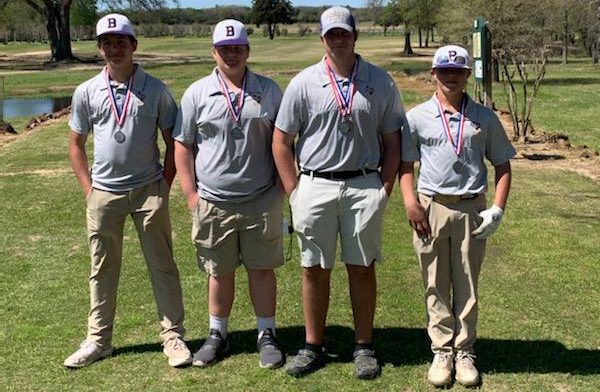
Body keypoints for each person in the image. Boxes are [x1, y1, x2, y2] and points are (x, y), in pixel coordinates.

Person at [272, 6, 404, 379]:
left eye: (344, 32)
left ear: (355, 35)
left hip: (364, 183)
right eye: (331, 34)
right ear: (322, 39)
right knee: (314, 268)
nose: (339, 39)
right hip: (315, 183)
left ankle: (363, 345)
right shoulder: (304, 82)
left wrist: (384, 187)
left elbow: (393, 140)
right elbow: (282, 141)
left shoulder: (380, 81)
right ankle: (313, 344)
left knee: (361, 267)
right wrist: (294, 191)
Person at [65, 13, 192, 368]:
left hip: (148, 191)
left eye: (121, 42)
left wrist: (164, 186)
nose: (114, 48)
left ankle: (172, 336)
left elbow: (173, 141)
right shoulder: (87, 91)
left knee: (162, 265)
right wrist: (89, 190)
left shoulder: (155, 90)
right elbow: (75, 143)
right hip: (104, 194)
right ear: (100, 48)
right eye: (107, 43)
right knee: (102, 268)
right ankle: (98, 340)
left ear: (134, 45)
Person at [399, 44, 515, 387]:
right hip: (430, 207)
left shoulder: (485, 118)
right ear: (433, 74)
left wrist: (497, 208)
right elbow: (406, 165)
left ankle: (464, 351)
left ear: (467, 75)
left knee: (466, 281)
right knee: (434, 282)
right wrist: (409, 202)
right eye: (444, 71)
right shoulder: (417, 117)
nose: (451, 77)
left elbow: (503, 164)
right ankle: (441, 350)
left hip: (471, 208)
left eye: (458, 71)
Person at [173, 19, 285, 370]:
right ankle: (217, 334)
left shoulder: (268, 90)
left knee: (262, 270)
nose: (231, 54)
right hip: (213, 201)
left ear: (248, 51)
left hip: (261, 197)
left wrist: (280, 190)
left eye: (238, 48)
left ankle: (266, 334)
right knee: (218, 272)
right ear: (214, 52)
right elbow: (183, 145)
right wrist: (191, 195)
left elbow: (283, 142)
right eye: (224, 48)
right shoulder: (196, 93)